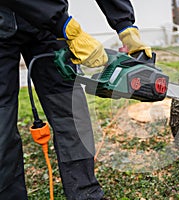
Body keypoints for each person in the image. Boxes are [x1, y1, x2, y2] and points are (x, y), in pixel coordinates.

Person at [0, 1, 151, 199]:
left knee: (71, 112)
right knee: (2, 124)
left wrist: (126, 26)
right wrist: (64, 23)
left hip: (47, 30)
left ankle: (86, 193)